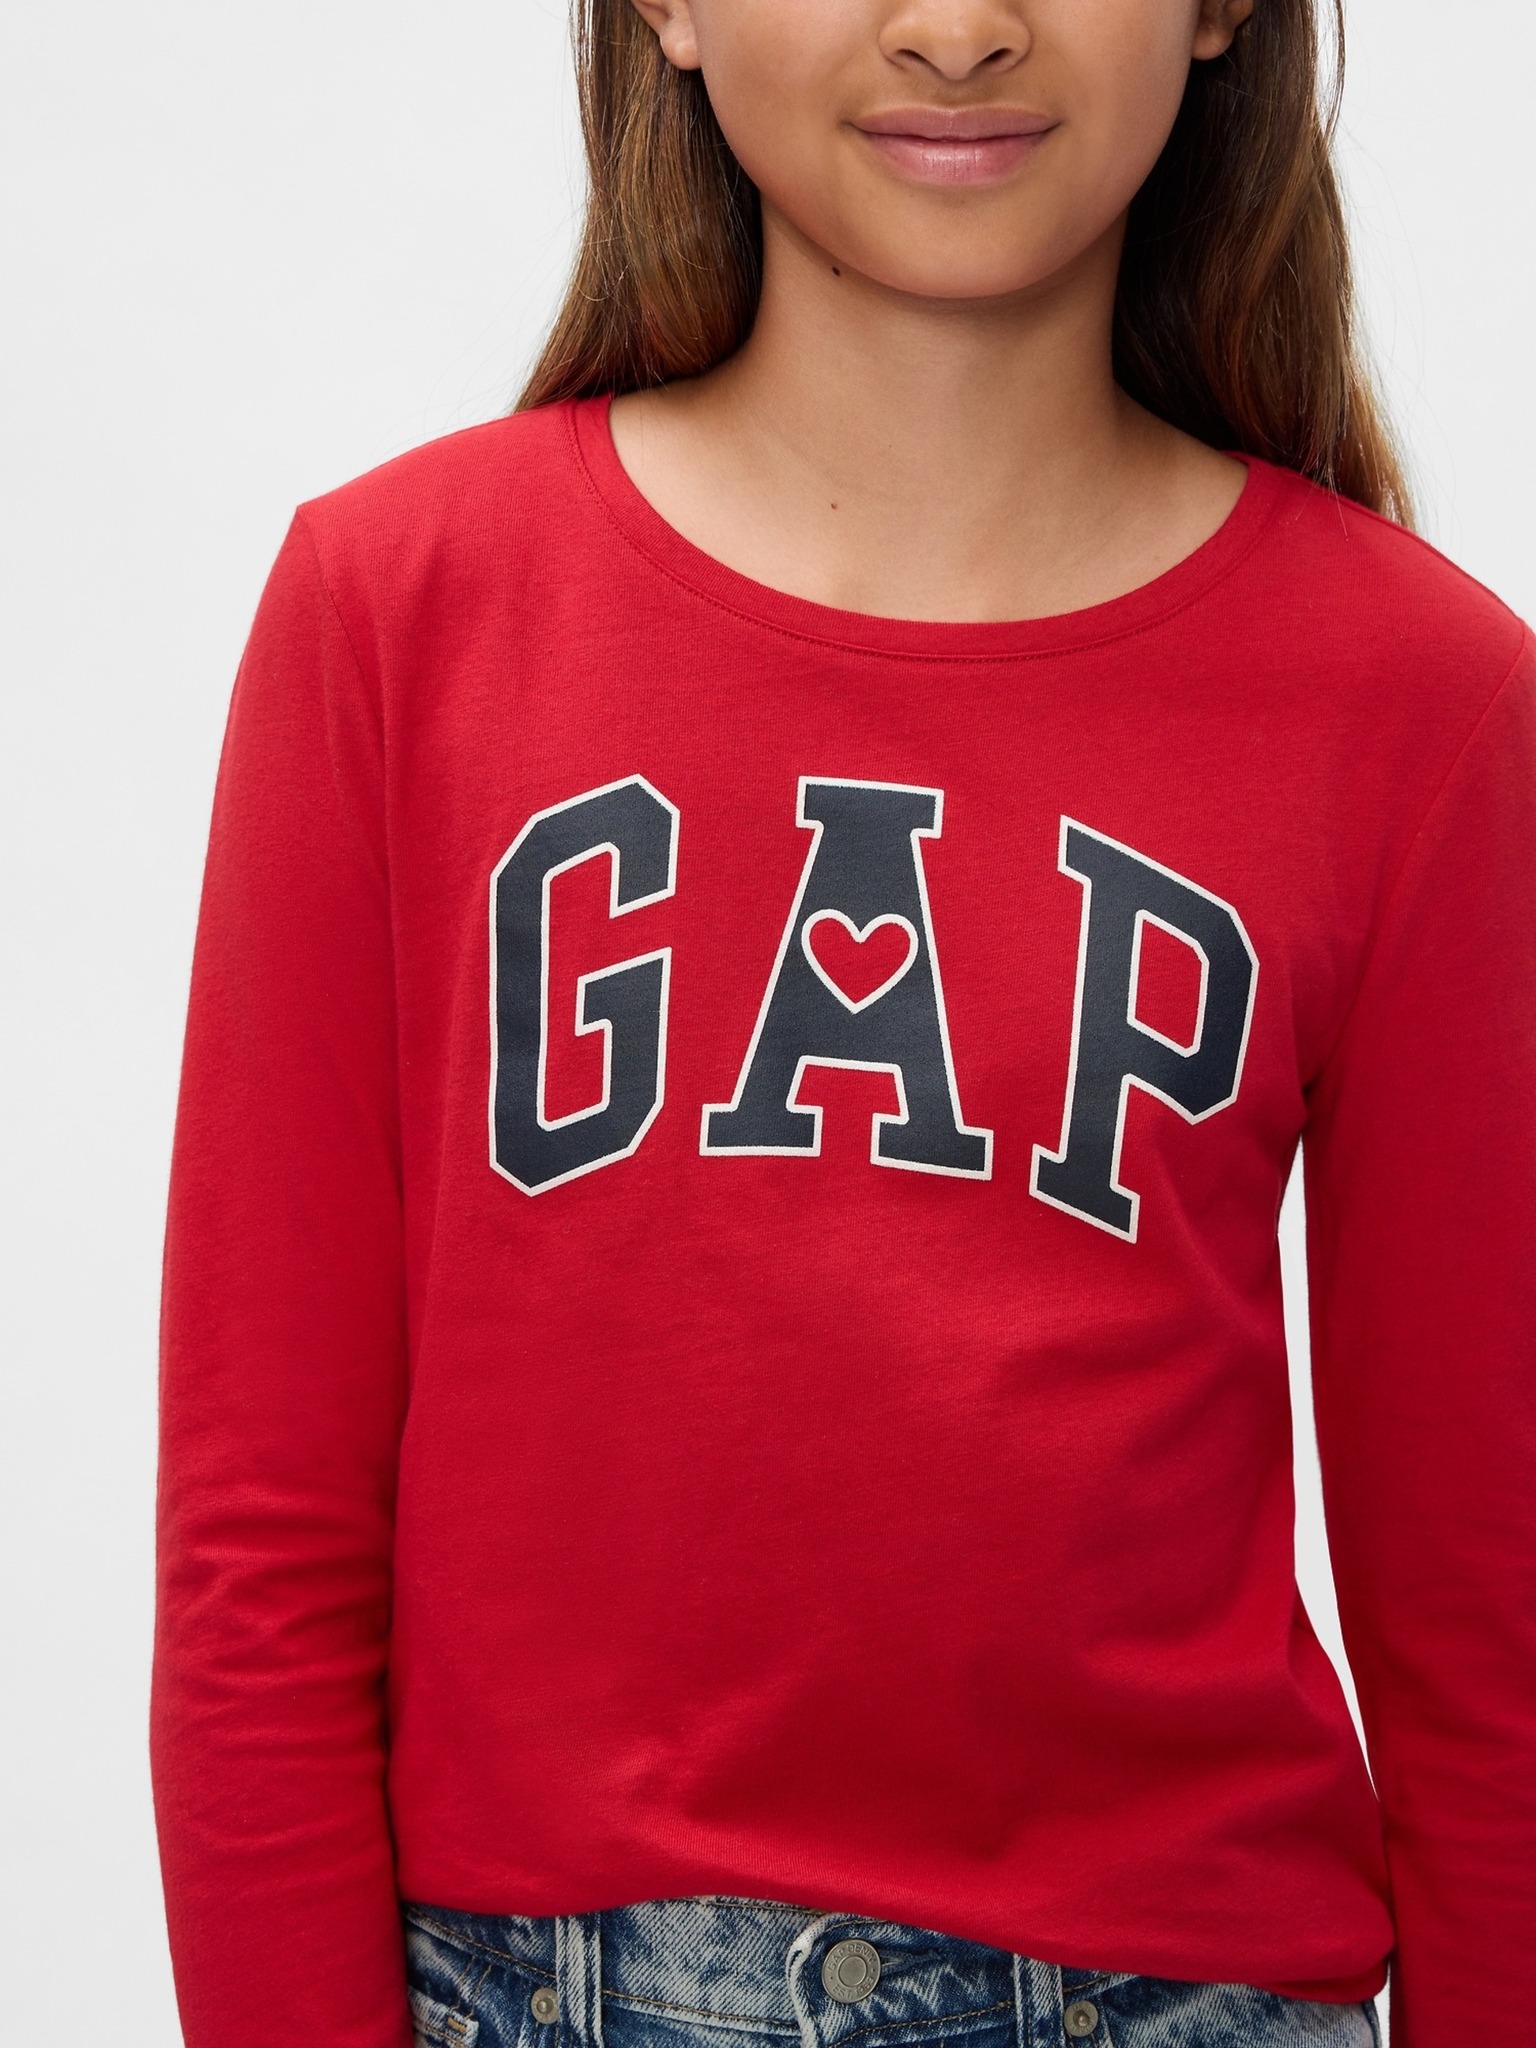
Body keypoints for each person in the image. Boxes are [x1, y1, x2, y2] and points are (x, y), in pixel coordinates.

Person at [151, 2, 1536, 2045]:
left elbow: (1488, 1631)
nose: (959, 31)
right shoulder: (399, 613)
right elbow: (259, 1555)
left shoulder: (1419, 700)